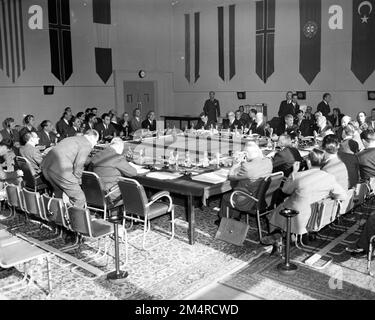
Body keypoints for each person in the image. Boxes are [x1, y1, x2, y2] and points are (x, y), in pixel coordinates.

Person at [268, 149, 346, 236]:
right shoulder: (330, 177)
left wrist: (293, 172)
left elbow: (285, 190)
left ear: (308, 161)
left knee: (273, 215)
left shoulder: (298, 176)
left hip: (296, 216)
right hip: (317, 216)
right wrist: (326, 200)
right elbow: (342, 195)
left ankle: (276, 237)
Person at [215, 142, 273, 224]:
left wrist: (234, 166)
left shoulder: (247, 167)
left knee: (226, 196)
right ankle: (235, 217)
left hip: (249, 200)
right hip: (265, 198)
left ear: (246, 154)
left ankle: (222, 221)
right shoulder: (268, 162)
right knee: (240, 189)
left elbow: (231, 177)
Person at [41, 130, 99, 208]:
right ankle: (72, 218)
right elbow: (79, 165)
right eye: (96, 141)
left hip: (46, 167)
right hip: (60, 170)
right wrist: (77, 181)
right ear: (91, 137)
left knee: (59, 192)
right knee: (80, 198)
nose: (95, 144)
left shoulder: (72, 138)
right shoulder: (86, 144)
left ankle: (57, 216)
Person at [89, 137, 137, 206]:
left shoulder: (97, 155)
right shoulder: (117, 157)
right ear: (120, 147)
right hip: (112, 194)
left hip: (97, 192)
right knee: (135, 189)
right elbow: (133, 172)